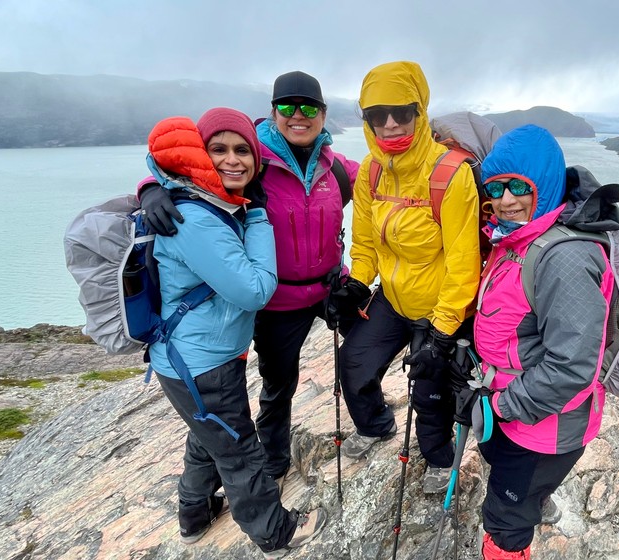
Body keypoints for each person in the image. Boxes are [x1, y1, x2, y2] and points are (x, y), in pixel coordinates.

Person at [139, 71, 359, 487]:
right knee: (279, 385)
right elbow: (187, 172)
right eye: (287, 107)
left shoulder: (336, 167)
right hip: (278, 303)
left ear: (324, 114)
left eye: (308, 107)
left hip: (332, 288)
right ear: (273, 112)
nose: (298, 115)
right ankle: (274, 461)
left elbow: (390, 178)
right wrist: (150, 188)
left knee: (370, 346)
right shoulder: (252, 159)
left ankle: (372, 416)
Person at [144, 107, 326, 557]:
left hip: (189, 359)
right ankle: (276, 532)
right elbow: (256, 290)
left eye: (243, 150)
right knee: (238, 451)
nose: (233, 159)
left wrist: (150, 187)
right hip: (200, 362)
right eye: (219, 149)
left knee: (207, 436)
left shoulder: (203, 202)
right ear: (200, 157)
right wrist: (260, 216)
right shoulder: (198, 216)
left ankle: (195, 514)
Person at [455, 125, 613, 559]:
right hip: (515, 411)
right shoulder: (518, 239)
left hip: (542, 429)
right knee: (516, 492)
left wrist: (498, 407)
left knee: (506, 522)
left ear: (543, 184)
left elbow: (573, 366)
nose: (505, 199)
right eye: (496, 187)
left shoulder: (564, 256)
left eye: (519, 186)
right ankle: (534, 502)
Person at [327, 61, 481, 494]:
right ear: (367, 121)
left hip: (437, 309)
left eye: (402, 112)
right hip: (393, 299)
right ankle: (376, 425)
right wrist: (357, 283)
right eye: (378, 115)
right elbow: (365, 244)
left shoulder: (450, 174)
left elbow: (463, 261)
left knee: (429, 394)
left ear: (421, 111)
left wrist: (443, 331)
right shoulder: (372, 172)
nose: (391, 123)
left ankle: (438, 456)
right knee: (354, 364)